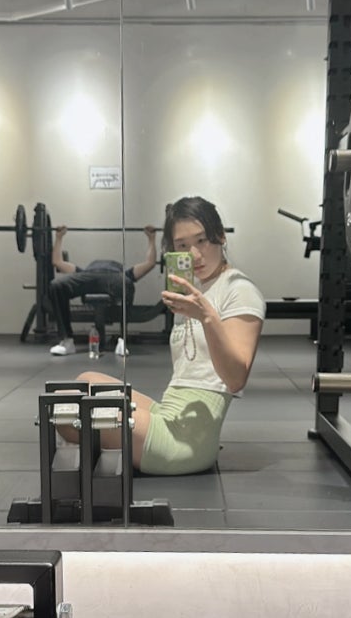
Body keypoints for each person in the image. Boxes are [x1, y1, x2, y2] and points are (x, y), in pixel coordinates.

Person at [57, 195, 265, 475]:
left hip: (186, 441)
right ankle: (110, 446)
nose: (194, 254)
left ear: (221, 236)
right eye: (182, 245)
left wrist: (206, 316)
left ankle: (111, 447)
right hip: (169, 414)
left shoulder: (239, 289)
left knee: (68, 409)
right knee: (85, 381)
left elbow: (236, 379)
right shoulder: (195, 288)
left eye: (201, 240)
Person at [48, 224, 158, 355]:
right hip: (88, 275)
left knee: (127, 284)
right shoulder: (82, 272)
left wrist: (151, 238)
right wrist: (59, 237)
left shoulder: (125, 274)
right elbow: (57, 262)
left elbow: (150, 263)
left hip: (115, 277)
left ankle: (122, 341)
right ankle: (67, 341)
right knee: (57, 285)